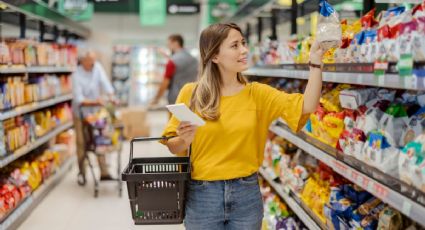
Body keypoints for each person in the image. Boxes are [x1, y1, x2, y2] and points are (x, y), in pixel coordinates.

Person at [161, 23, 325, 229]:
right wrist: (183, 140)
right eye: (235, 45)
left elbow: (307, 105)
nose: (244, 50)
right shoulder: (192, 94)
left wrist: (316, 64)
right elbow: (172, 145)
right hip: (203, 196)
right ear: (214, 56)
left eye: (244, 43)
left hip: (246, 195)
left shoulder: (257, 94)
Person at [72, 51, 116, 182]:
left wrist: (111, 96)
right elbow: (79, 99)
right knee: (81, 143)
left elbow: (105, 83)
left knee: (99, 139)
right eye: (90, 61)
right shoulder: (76, 75)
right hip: (80, 114)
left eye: (93, 60)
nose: (92, 63)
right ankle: (82, 173)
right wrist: (96, 101)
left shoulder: (97, 67)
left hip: (95, 113)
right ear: (83, 61)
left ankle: (104, 172)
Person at [151, 34, 198, 106]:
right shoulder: (194, 60)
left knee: (174, 117)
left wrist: (157, 98)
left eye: (169, 44)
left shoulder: (172, 62)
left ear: (176, 43)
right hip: (192, 97)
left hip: (176, 99)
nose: (168, 47)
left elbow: (165, 82)